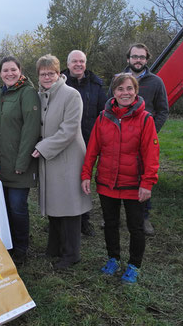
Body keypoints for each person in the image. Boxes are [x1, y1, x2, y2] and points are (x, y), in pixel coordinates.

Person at [82, 73, 160, 284]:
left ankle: (134, 265)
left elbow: (151, 155)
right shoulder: (103, 117)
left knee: (136, 227)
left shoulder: (145, 119)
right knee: (110, 223)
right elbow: (92, 150)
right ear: (113, 92)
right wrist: (86, 174)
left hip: (133, 184)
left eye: (129, 89)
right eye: (120, 89)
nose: (125, 93)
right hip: (107, 182)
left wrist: (147, 183)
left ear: (135, 91)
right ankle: (113, 258)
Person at [0, 56, 41, 265]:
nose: (9, 74)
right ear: (0, 74)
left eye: (13, 70)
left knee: (17, 207)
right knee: (2, 207)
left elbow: (31, 131)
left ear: (20, 71)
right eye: (5, 70)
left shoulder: (27, 93)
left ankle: (21, 248)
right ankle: (7, 243)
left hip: (18, 164)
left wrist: (22, 163)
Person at [31, 55, 92, 270]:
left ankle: (71, 253)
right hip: (50, 158)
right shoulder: (40, 95)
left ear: (59, 74)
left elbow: (69, 130)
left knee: (70, 207)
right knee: (54, 203)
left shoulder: (71, 95)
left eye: (51, 73)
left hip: (68, 158)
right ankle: (54, 247)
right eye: (43, 73)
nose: (47, 77)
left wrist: (42, 147)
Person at [122, 43, 169, 236]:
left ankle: (144, 217)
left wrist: (150, 133)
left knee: (143, 176)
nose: (138, 60)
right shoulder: (119, 79)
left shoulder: (156, 82)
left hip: (143, 140)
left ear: (146, 60)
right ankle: (116, 216)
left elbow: (163, 110)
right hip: (121, 137)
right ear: (128, 59)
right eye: (134, 57)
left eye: (141, 57)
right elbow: (109, 105)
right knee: (119, 173)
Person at [63, 50, 107, 237]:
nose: (78, 64)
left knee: (83, 180)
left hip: (87, 140)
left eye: (81, 61)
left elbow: (103, 113)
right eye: (74, 61)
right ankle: (61, 218)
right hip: (64, 140)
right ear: (68, 63)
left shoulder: (96, 85)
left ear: (86, 63)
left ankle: (84, 220)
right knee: (63, 181)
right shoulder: (59, 82)